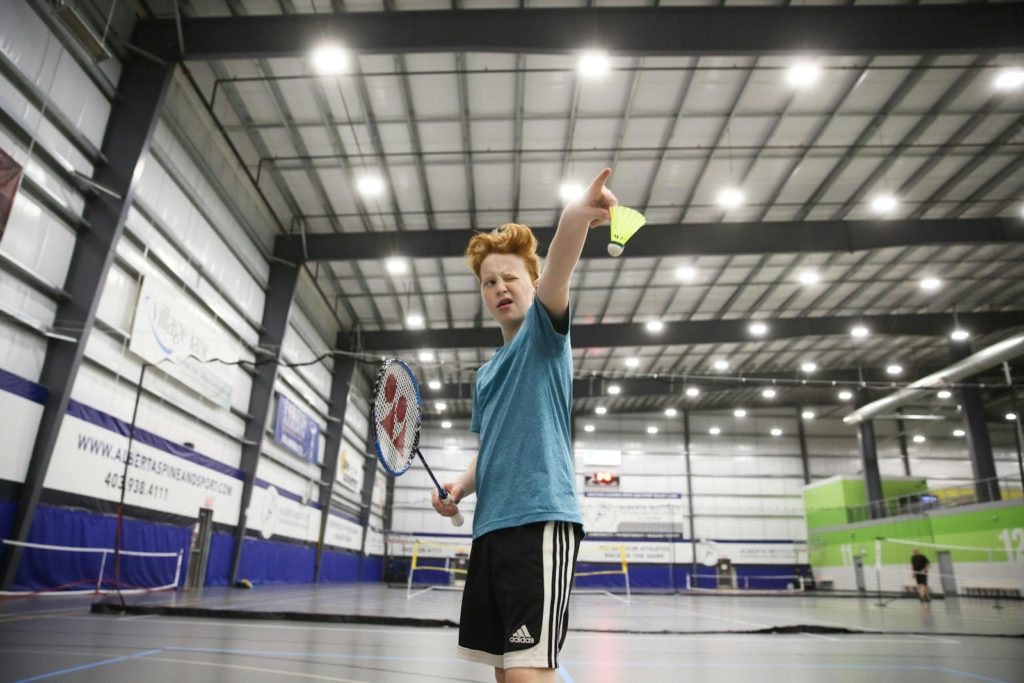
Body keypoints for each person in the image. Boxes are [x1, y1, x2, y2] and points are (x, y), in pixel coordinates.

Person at [431, 168, 618, 683]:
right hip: (490, 529)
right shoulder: (486, 374)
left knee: (527, 671)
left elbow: (559, 269)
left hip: (539, 521)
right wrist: (458, 487)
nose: (499, 287)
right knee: (504, 669)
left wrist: (575, 217)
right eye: (489, 282)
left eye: (510, 277)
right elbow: (490, 450)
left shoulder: (544, 336)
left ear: (532, 283)